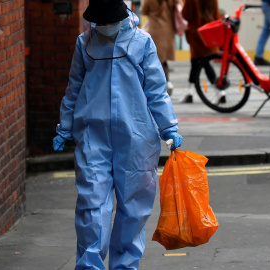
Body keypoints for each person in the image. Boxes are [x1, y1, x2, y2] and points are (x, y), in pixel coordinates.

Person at [52, 0, 183, 269]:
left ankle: (125, 265)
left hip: (136, 137)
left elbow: (156, 91)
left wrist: (168, 127)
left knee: (133, 208)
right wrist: (64, 127)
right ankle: (90, 265)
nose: (104, 27)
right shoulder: (85, 42)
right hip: (92, 135)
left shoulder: (142, 43)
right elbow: (74, 88)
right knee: (92, 204)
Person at [180, 0, 220, 103]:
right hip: (209, 32)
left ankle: (219, 91)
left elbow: (186, 15)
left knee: (203, 62)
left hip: (196, 33)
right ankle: (189, 91)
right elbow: (216, 15)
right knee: (196, 62)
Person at [141, 0, 182, 96]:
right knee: (163, 60)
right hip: (168, 31)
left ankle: (160, 85)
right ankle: (167, 83)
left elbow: (143, 11)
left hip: (155, 31)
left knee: (155, 60)